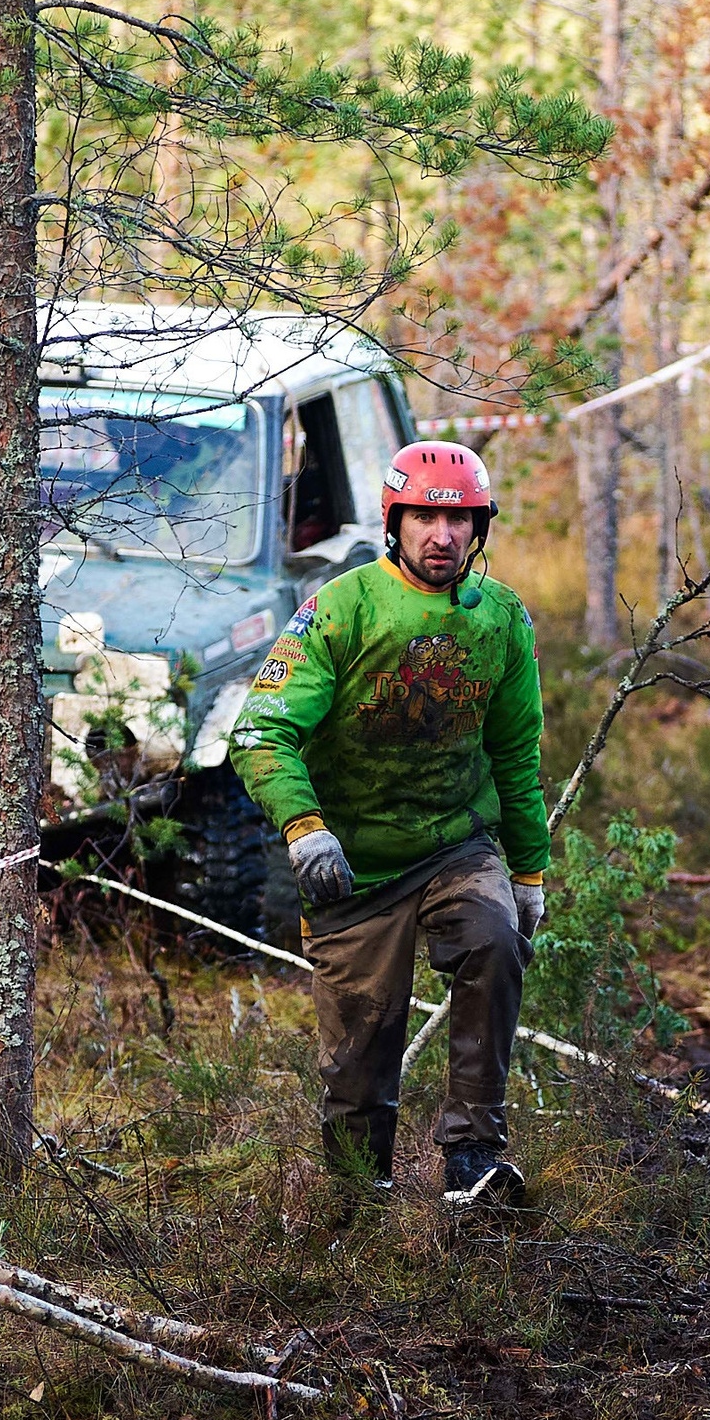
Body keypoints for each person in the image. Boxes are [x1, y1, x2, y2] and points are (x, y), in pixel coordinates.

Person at [229, 439, 550, 1211]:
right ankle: (355, 1198)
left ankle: (472, 1159)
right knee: (359, 1053)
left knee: (494, 940)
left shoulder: (501, 618)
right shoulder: (341, 608)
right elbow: (259, 731)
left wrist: (530, 876)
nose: (443, 536)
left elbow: (516, 752)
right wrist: (306, 829)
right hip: (350, 863)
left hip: (454, 845)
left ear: (480, 528)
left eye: (460, 520)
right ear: (395, 521)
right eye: (427, 518)